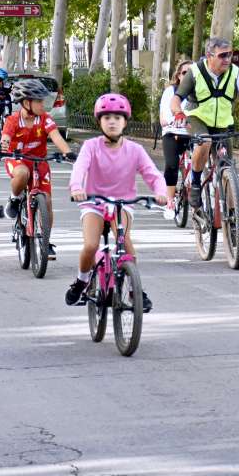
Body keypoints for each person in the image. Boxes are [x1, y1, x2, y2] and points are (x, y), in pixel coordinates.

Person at [66, 93, 167, 312]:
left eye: (117, 117)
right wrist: (77, 188)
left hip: (123, 202)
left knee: (125, 240)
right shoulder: (91, 146)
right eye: (107, 117)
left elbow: (153, 175)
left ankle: (134, 289)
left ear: (125, 122)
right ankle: (82, 281)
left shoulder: (135, 150)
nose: (112, 121)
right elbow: (79, 169)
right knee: (91, 245)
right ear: (99, 122)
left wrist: (160, 192)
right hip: (93, 203)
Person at [169, 37, 239, 210]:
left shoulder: (236, 73)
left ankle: (232, 219)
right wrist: (178, 113)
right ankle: (195, 183)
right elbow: (176, 99)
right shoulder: (195, 72)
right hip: (196, 119)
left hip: (222, 124)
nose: (227, 59)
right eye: (222, 55)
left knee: (228, 168)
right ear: (209, 56)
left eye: (230, 55)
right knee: (205, 141)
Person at [0, 79, 74, 259]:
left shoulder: (45, 119)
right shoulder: (13, 120)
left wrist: (68, 153)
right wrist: (4, 145)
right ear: (26, 103)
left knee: (47, 200)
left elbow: (56, 137)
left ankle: (45, 241)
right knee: (22, 173)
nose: (43, 104)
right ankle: (15, 198)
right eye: (39, 101)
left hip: (39, 161)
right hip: (17, 160)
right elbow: (6, 137)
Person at [158, 59, 193, 219]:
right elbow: (164, 117)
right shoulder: (170, 92)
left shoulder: (199, 92)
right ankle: (170, 201)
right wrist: (172, 119)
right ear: (178, 75)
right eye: (185, 72)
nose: (188, 76)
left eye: (192, 73)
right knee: (172, 165)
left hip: (192, 134)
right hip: (172, 132)